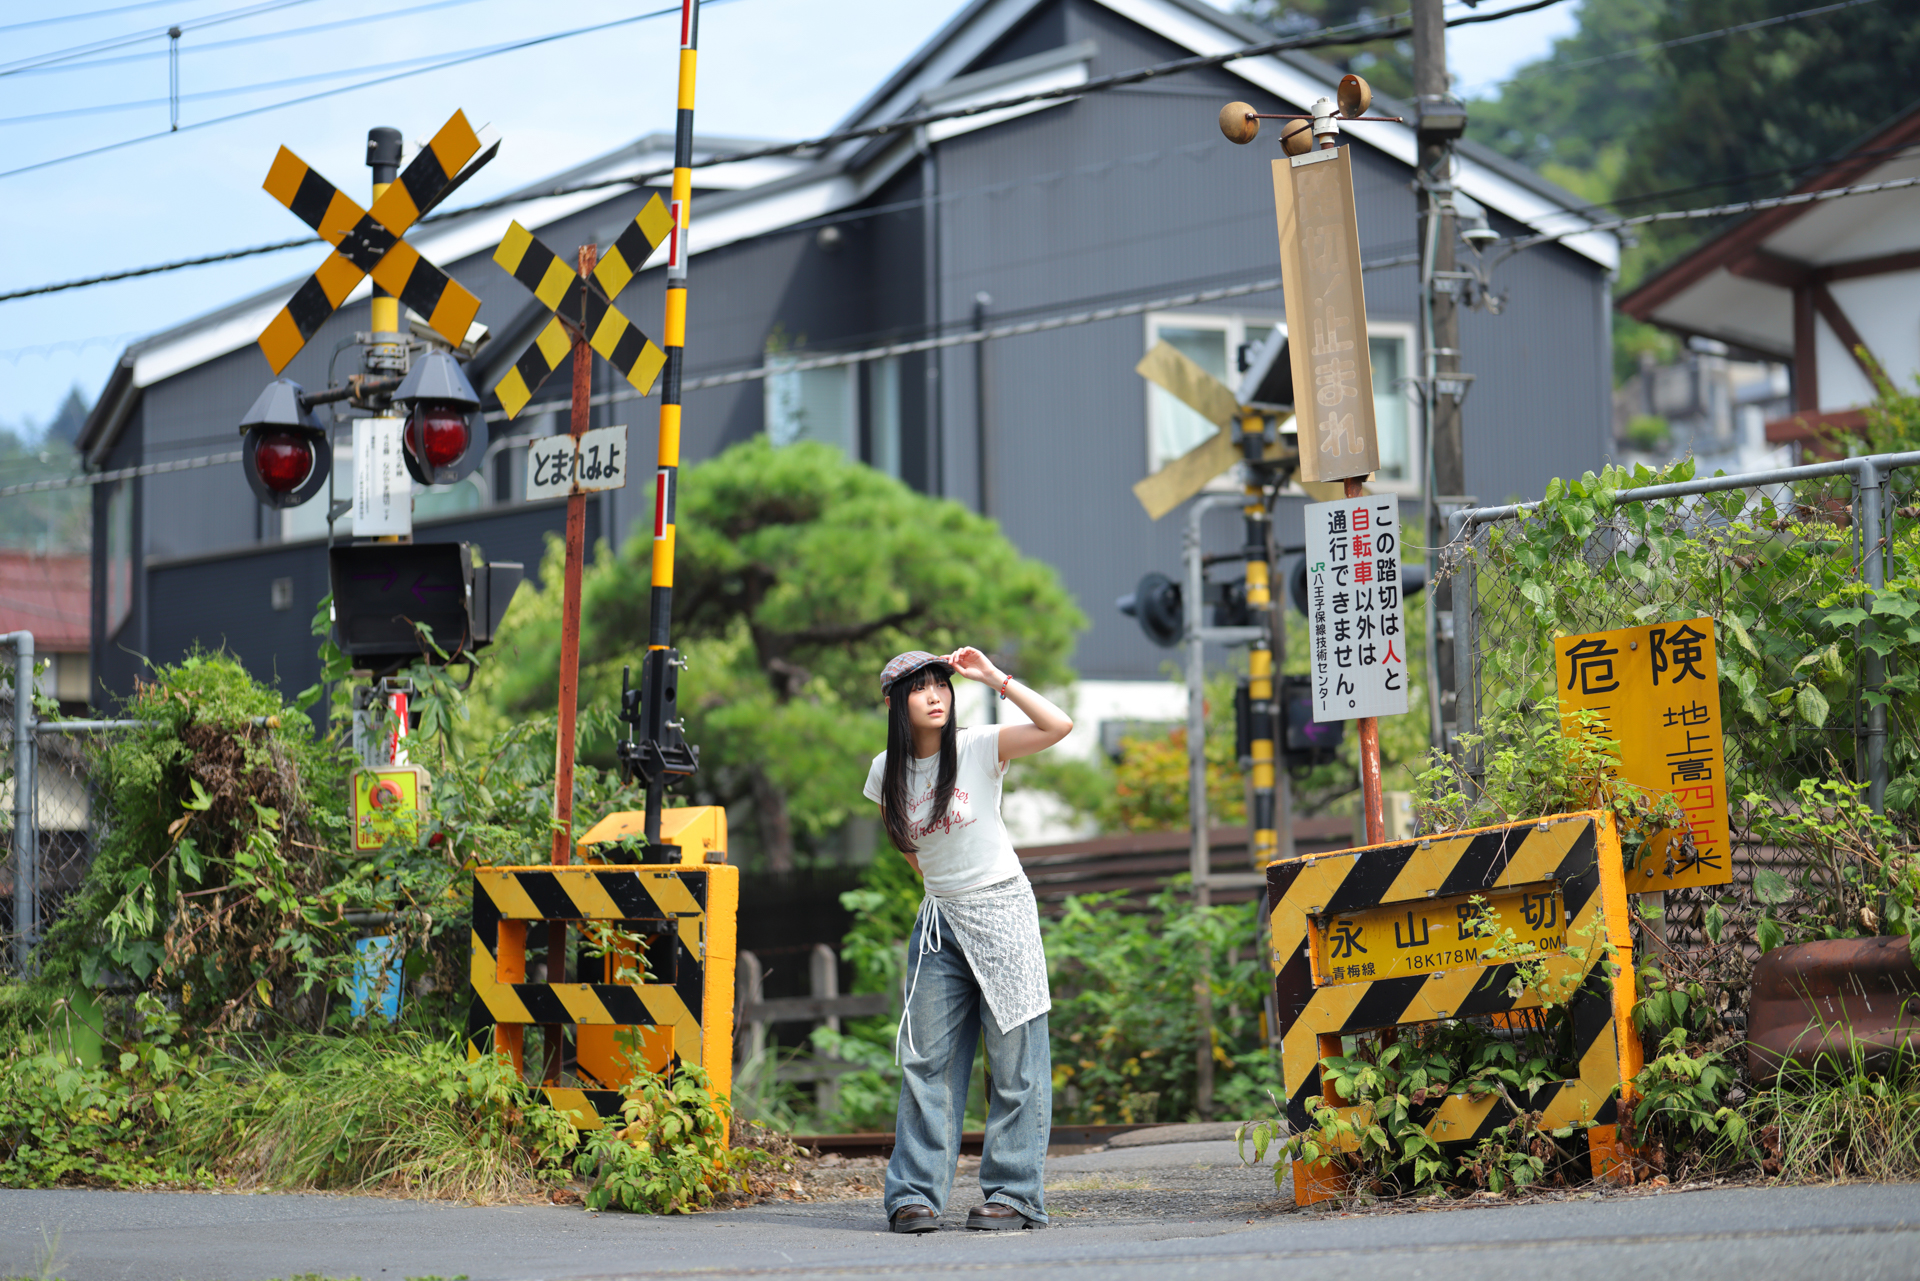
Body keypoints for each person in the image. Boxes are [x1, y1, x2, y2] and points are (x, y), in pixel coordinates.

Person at [863, 646, 1073, 1234]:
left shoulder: (979, 746)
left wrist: (993, 677)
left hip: (1003, 910)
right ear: (894, 703)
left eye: (941, 684)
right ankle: (914, 1196)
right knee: (925, 1062)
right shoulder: (886, 771)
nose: (935, 695)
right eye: (919, 688)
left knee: (1015, 1063)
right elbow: (912, 849)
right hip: (939, 923)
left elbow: (1058, 725)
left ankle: (1014, 1195)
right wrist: (944, 895)